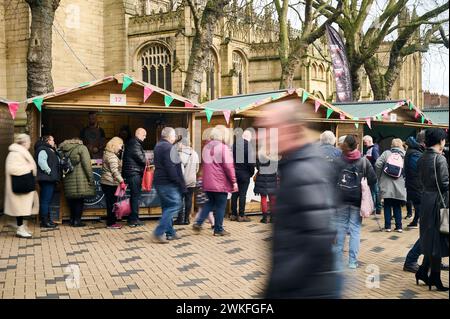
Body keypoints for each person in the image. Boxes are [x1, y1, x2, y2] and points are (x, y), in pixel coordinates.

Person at [255, 103, 339, 298]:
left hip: (307, 290)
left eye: (268, 129)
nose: (261, 136)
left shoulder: (303, 171)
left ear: (290, 129)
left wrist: (279, 285)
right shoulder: (296, 165)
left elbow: (318, 239)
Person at [333, 135, 377, 269]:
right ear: (357, 146)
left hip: (340, 199)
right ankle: (352, 261)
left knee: (340, 228)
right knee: (355, 230)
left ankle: (337, 261)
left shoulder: (337, 161)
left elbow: (330, 179)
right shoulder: (363, 162)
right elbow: (373, 179)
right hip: (358, 200)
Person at [415, 128, 449, 292]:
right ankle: (433, 276)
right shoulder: (440, 160)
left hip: (426, 200)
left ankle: (424, 271)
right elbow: (444, 184)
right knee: (437, 238)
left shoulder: (422, 158)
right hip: (439, 202)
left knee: (431, 237)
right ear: (440, 140)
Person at [193, 125, 238, 236]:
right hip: (220, 182)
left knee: (209, 203)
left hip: (207, 182)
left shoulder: (206, 148)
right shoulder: (223, 148)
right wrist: (234, 181)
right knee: (220, 206)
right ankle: (218, 229)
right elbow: (228, 166)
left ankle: (198, 222)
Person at [152, 127, 187, 243]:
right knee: (174, 205)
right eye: (174, 136)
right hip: (168, 182)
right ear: (169, 136)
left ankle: (170, 232)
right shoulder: (168, 147)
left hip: (160, 182)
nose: (174, 138)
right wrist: (179, 182)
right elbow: (171, 167)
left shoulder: (158, 146)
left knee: (167, 207)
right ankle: (158, 232)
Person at [4, 134, 39, 238]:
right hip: (19, 186)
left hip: (24, 184)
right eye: (28, 142)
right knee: (20, 209)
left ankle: (21, 227)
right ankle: (20, 228)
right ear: (23, 143)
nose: (30, 143)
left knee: (24, 209)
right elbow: (12, 169)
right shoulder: (15, 154)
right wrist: (28, 167)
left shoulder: (21, 152)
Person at [59, 138, 95, 227]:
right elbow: (87, 165)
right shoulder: (82, 148)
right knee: (79, 200)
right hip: (80, 179)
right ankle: (77, 221)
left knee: (72, 200)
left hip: (67, 179)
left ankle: (72, 219)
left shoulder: (62, 150)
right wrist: (90, 179)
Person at [375, 138, 407, 233]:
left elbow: (377, 164)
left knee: (387, 205)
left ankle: (388, 226)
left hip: (386, 183)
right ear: (401, 145)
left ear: (392, 145)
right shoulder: (404, 155)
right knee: (397, 206)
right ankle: (399, 226)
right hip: (400, 184)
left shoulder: (386, 153)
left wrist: (379, 176)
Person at [122, 128, 147, 227]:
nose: (145, 137)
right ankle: (134, 219)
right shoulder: (134, 143)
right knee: (135, 197)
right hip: (134, 173)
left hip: (132, 173)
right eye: (144, 135)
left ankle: (132, 218)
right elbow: (141, 159)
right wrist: (147, 161)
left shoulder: (133, 143)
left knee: (134, 196)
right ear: (139, 134)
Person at [100, 137, 127, 229]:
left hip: (106, 182)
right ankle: (111, 223)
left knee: (110, 203)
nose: (120, 148)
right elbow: (114, 171)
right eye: (120, 145)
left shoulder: (107, 153)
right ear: (114, 145)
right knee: (112, 203)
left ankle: (111, 221)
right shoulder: (111, 156)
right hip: (110, 183)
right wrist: (122, 181)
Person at [35, 135, 60, 228]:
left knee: (47, 200)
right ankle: (44, 221)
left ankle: (48, 220)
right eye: (52, 140)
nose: (54, 141)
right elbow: (42, 162)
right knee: (45, 200)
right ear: (47, 141)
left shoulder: (49, 149)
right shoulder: (42, 149)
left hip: (49, 178)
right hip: (46, 178)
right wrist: (49, 172)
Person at [231, 130, 256, 222]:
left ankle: (233, 214)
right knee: (242, 194)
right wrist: (251, 173)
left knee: (234, 194)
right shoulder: (248, 146)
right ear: (249, 137)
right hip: (245, 174)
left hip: (234, 173)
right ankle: (241, 215)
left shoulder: (234, 145)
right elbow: (251, 162)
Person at [174, 136, 199, 225]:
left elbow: (177, 169)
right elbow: (197, 168)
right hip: (192, 180)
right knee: (188, 199)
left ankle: (180, 219)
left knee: (180, 199)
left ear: (182, 144)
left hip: (182, 181)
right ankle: (187, 219)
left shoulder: (179, 154)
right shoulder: (195, 153)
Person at [404, 132, 426, 229]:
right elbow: (417, 169)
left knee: (418, 203)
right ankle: (421, 223)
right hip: (415, 183)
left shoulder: (415, 150)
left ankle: (415, 221)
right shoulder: (415, 152)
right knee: (418, 203)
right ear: (423, 142)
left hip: (415, 183)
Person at [254, 147, 279, 224]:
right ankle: (272, 218)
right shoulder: (274, 158)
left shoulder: (260, 157)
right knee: (272, 199)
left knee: (263, 198)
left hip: (262, 179)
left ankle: (265, 218)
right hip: (272, 179)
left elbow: (258, 167)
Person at [363, 135, 382, 215]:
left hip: (374, 173)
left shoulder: (374, 149)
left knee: (375, 191)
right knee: (373, 191)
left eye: (365, 142)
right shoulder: (370, 149)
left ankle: (377, 208)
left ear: (370, 141)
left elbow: (377, 162)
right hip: (371, 173)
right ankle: (374, 208)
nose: (364, 144)